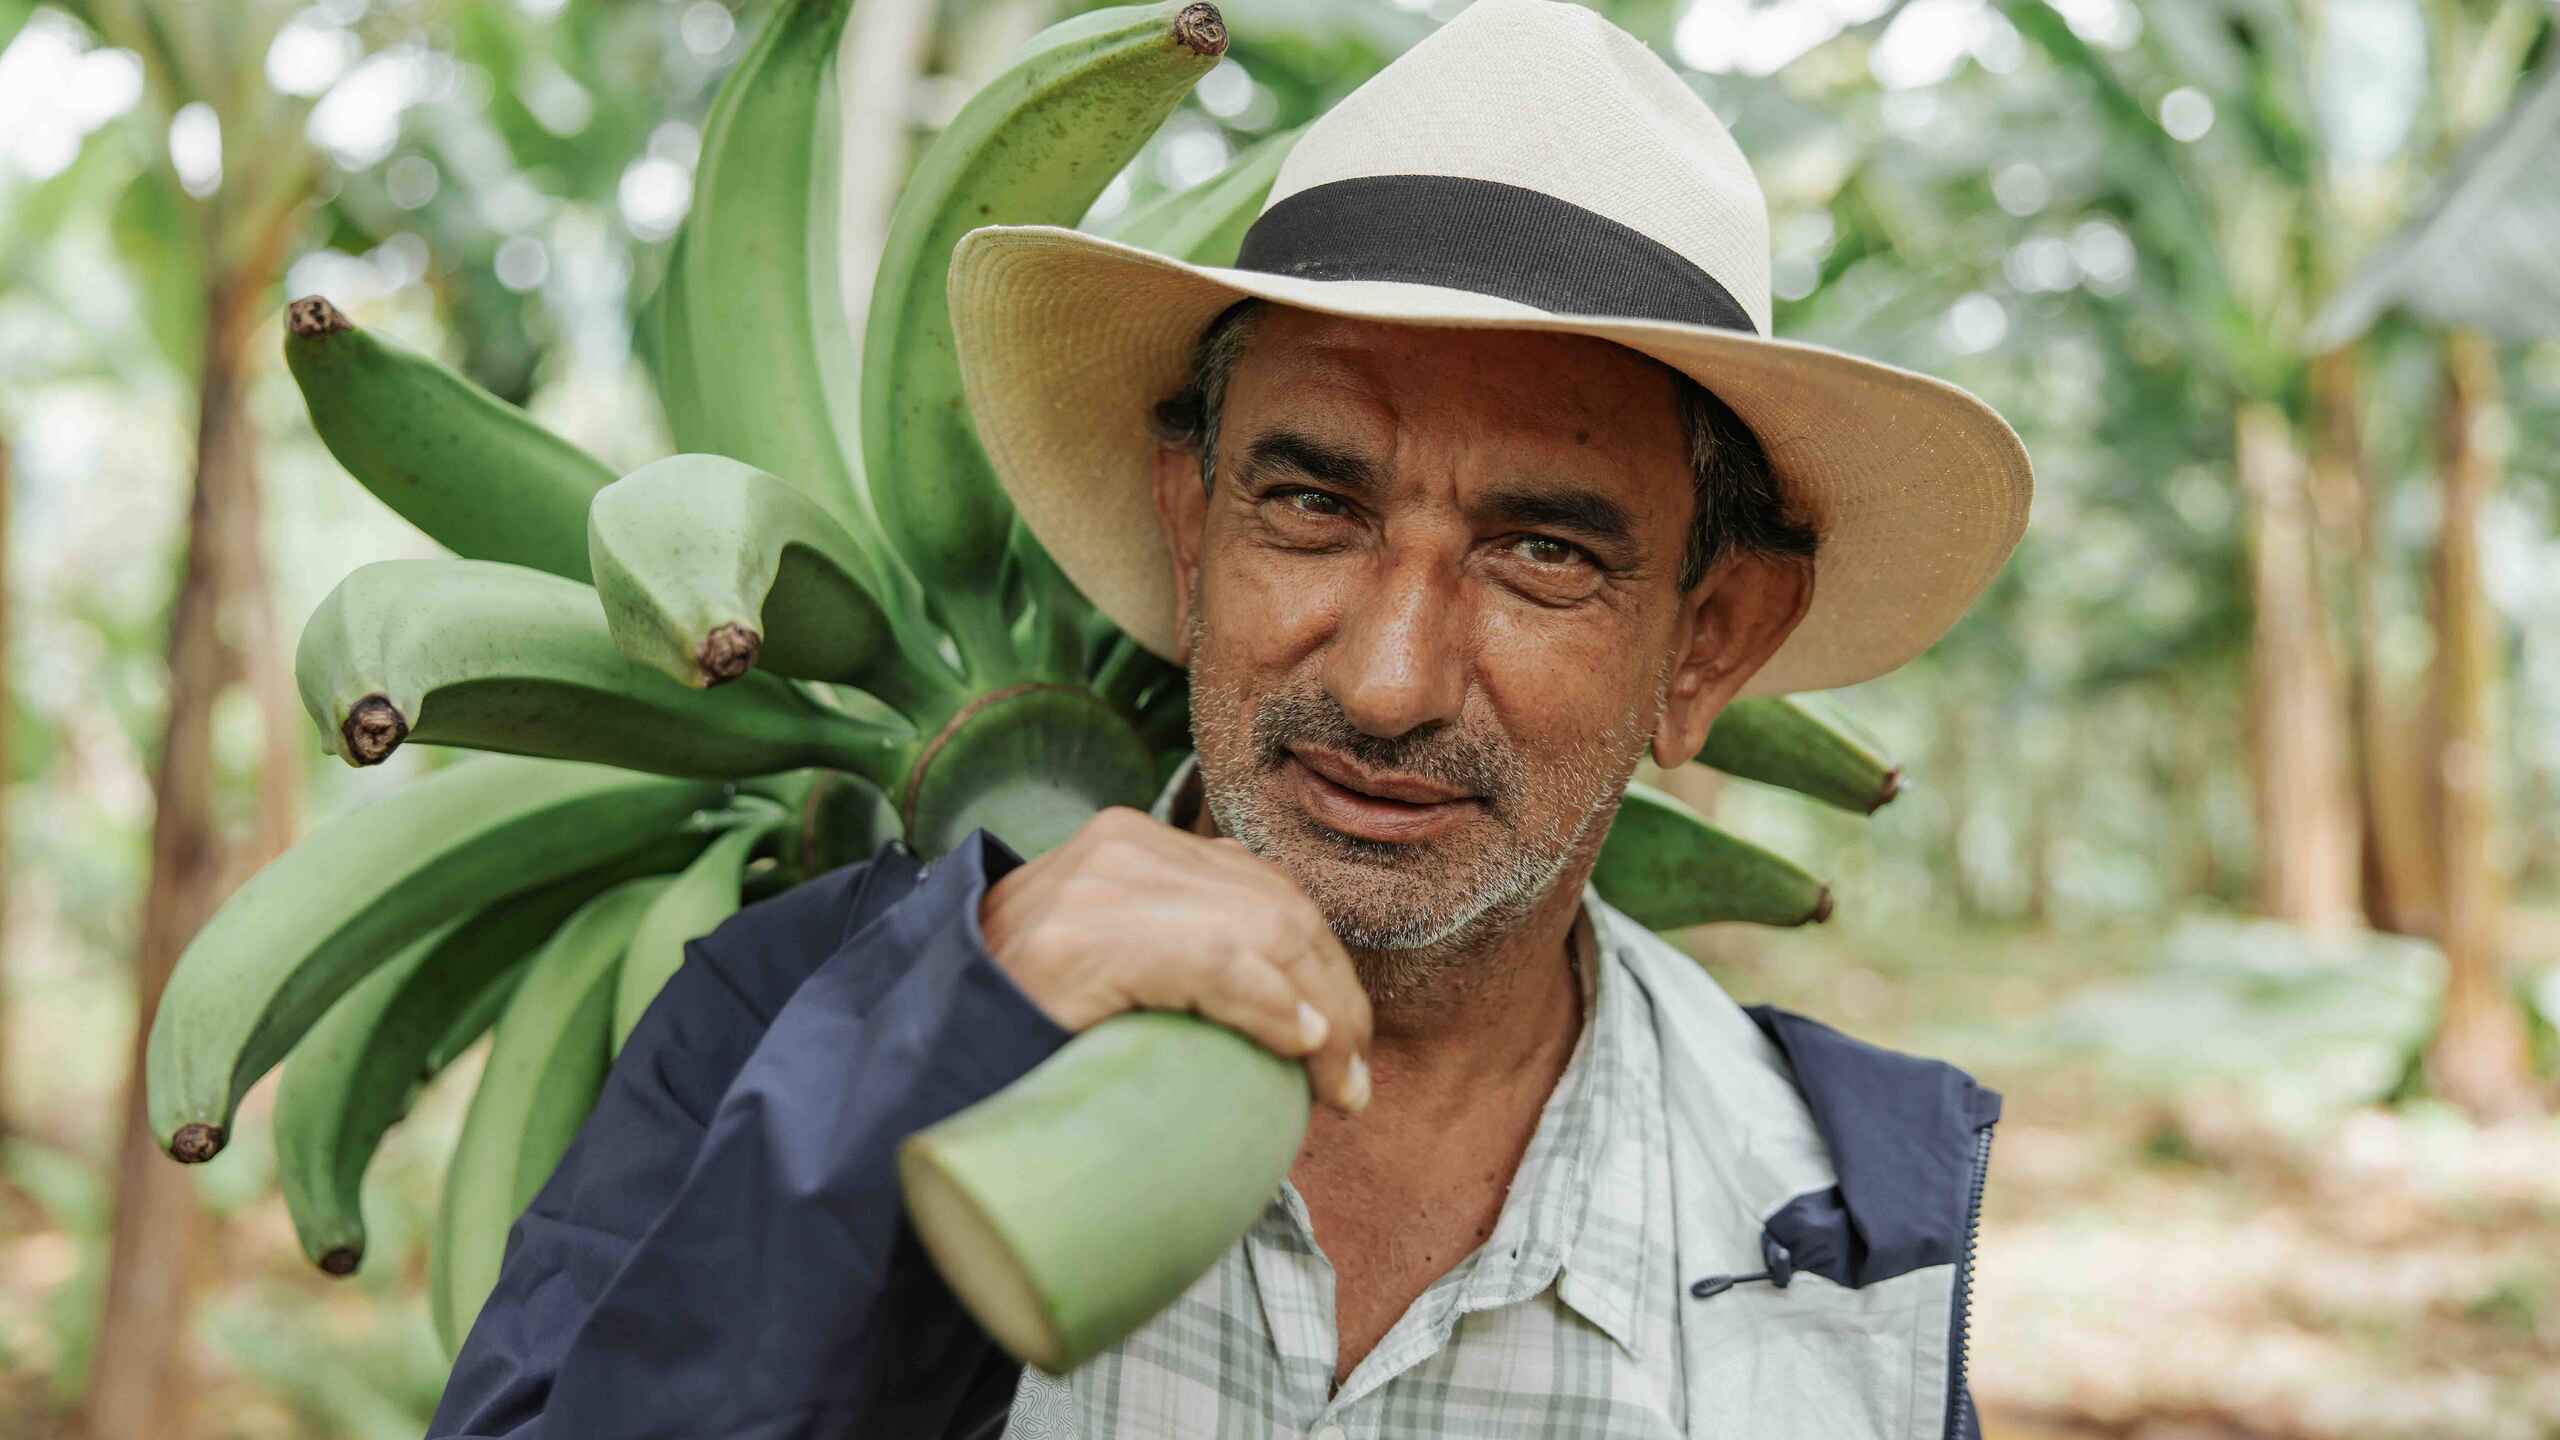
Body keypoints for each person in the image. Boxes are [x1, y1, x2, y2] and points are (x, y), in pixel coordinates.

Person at [425, 1, 2032, 1436]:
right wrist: (923, 1059)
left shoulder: (1837, 1236)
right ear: (1189, 535)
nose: (1387, 681)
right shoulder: (797, 1029)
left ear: (1708, 642)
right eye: (1312, 508)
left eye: (1543, 554)